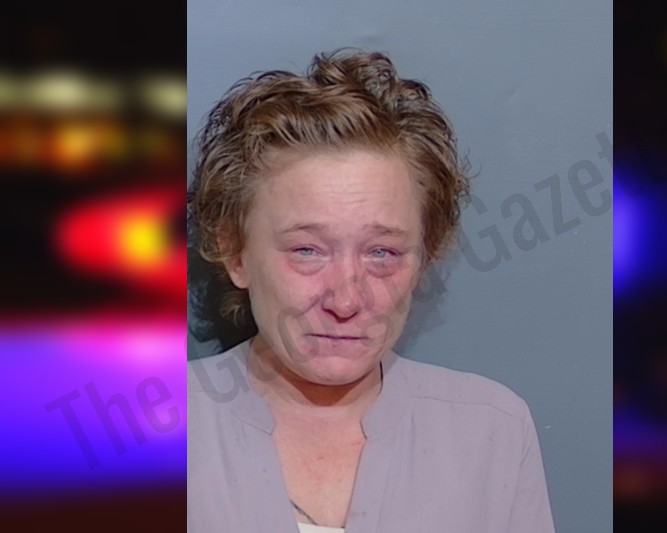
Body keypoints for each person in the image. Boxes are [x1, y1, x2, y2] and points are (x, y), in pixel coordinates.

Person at [187, 48, 555, 533]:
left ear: (423, 257)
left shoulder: (492, 432)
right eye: (307, 250)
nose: (345, 301)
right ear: (235, 252)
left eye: (382, 253)